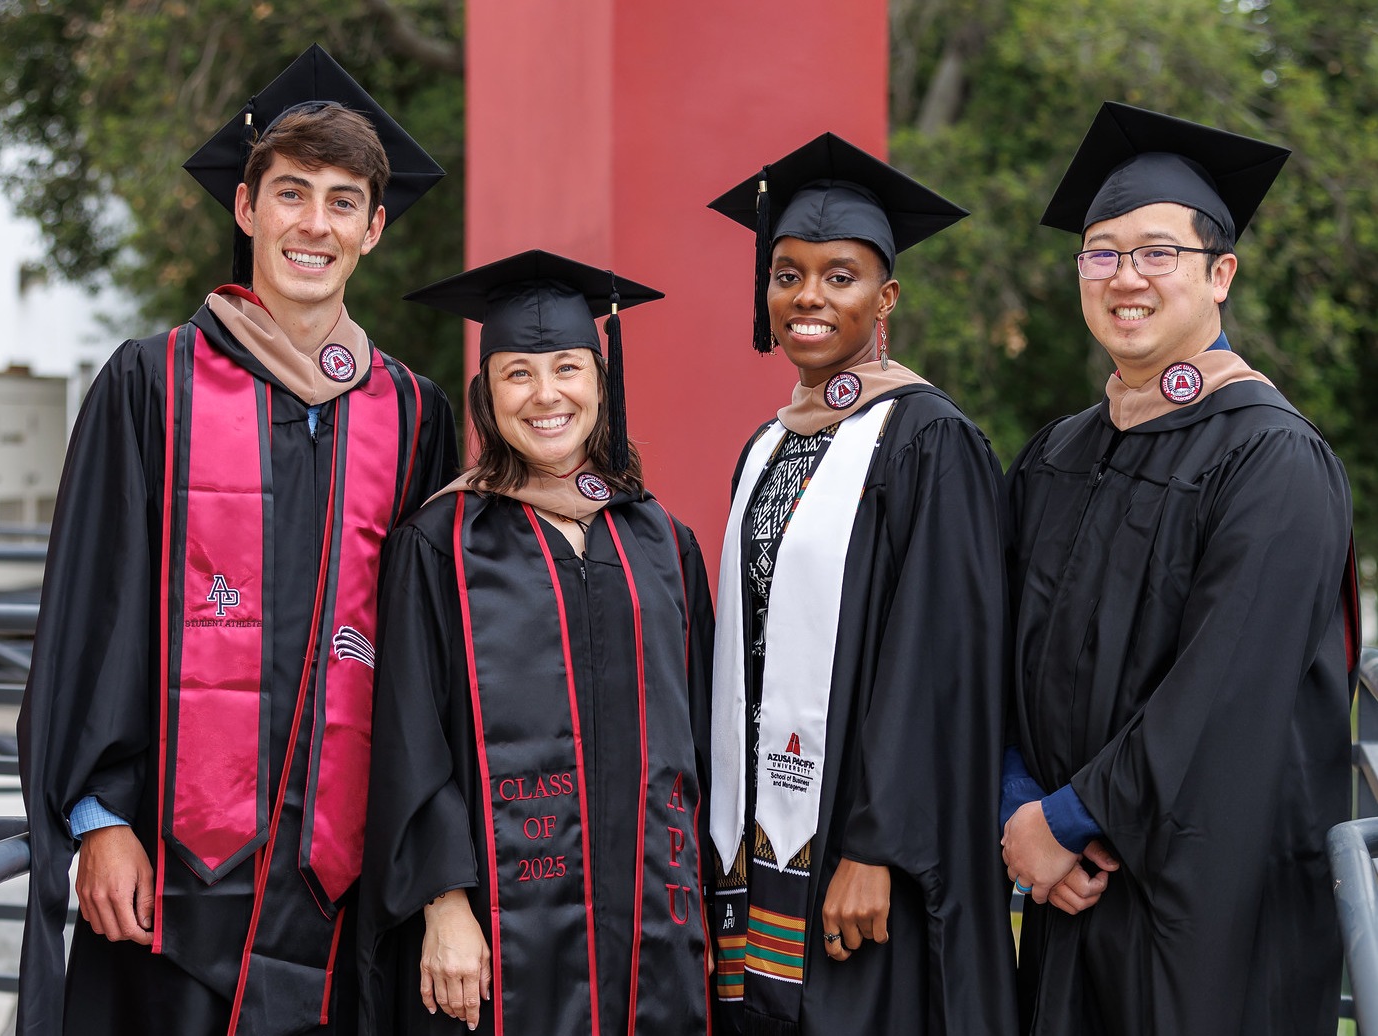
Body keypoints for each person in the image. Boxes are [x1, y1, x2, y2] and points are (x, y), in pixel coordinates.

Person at [17, 45, 456, 1036]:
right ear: (246, 209)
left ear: (374, 230)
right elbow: (96, 611)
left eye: (343, 202)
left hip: (341, 889)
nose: (315, 222)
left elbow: (435, 660)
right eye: (291, 192)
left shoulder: (411, 415)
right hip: (170, 885)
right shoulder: (151, 384)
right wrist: (101, 819)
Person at [1000, 101, 1361, 1036]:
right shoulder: (1057, 454)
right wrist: (1016, 808)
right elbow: (991, 649)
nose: (1126, 278)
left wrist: (1067, 821)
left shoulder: (1272, 458)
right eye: (1102, 252)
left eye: (1157, 252)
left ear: (1221, 275)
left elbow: (1225, 691)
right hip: (1065, 900)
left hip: (1209, 904)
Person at [356, 249, 715, 1035]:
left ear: (600, 380)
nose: (546, 395)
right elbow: (411, 738)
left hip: (652, 927)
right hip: (497, 934)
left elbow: (699, 743)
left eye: (567, 369)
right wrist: (444, 906)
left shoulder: (661, 541)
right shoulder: (443, 541)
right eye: (518, 373)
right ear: (487, 394)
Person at [705, 133, 1017, 1035]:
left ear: (884, 299)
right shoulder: (766, 446)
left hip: (862, 845)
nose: (808, 297)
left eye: (839, 276)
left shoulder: (929, 439)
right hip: (762, 836)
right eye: (787, 273)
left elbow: (940, 655)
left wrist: (877, 846)